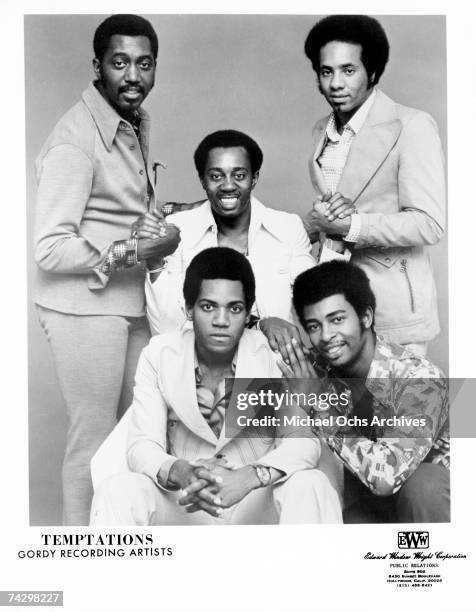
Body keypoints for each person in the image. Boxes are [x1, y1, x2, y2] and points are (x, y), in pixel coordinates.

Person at [34, 14, 180, 525]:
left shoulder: (132, 119)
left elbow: (117, 208)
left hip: (126, 302)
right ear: (97, 66)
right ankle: (81, 574)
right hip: (81, 308)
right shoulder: (75, 139)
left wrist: (162, 218)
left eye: (144, 63)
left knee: (133, 436)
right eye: (119, 63)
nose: (133, 76)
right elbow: (49, 246)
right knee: (93, 442)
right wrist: (128, 252)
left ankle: (119, 551)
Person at [90, 248, 342, 525]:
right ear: (188, 309)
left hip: (254, 504)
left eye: (234, 309)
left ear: (248, 314)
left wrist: (250, 477)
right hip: (187, 505)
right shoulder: (159, 355)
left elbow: (302, 441)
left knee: (311, 483)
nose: (221, 321)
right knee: (117, 490)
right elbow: (142, 446)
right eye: (208, 306)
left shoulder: (272, 357)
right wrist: (181, 471)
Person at [302, 15, 446, 354]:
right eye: (326, 71)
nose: (336, 83)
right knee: (339, 407)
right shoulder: (321, 130)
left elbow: (429, 223)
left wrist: (352, 224)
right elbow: (327, 216)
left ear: (373, 72)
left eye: (348, 70)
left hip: (392, 310)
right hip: (334, 307)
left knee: (398, 408)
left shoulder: (412, 125)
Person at [280, 260, 449, 523]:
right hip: (373, 498)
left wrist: (317, 406)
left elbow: (386, 478)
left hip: (436, 494)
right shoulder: (317, 369)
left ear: (366, 317)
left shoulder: (418, 378)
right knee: (346, 520)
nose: (326, 336)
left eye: (337, 319)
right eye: (314, 326)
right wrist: (264, 324)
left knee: (422, 487)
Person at [134, 129, 318, 359]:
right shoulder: (176, 230)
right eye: (216, 176)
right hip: (199, 373)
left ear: (255, 178)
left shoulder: (287, 228)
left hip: (273, 371)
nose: (228, 185)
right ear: (202, 180)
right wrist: (154, 261)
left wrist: (336, 242)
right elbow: (165, 331)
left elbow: (316, 309)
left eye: (239, 175)